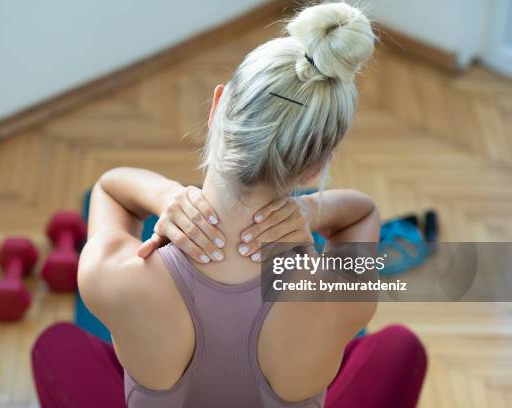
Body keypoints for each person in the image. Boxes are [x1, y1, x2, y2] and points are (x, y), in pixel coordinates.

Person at [32, 3, 427, 407]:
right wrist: (309, 212)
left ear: (218, 104)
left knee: (56, 344)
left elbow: (110, 189)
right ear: (317, 167)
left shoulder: (114, 275)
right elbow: (363, 212)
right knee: (400, 347)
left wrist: (166, 194)